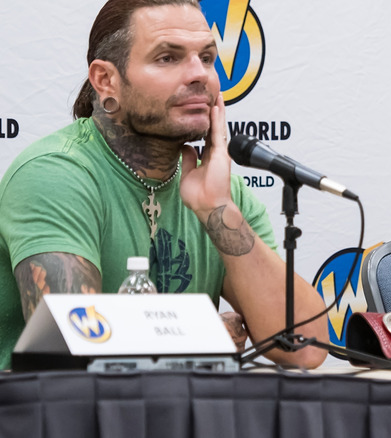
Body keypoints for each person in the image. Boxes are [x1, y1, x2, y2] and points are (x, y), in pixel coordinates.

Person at [0, 0, 328, 370]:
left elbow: (306, 349)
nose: (199, 74)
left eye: (206, 58)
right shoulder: (55, 174)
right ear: (106, 80)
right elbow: (73, 347)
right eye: (168, 58)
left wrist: (217, 211)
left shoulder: (222, 194)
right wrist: (206, 333)